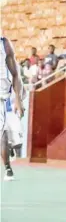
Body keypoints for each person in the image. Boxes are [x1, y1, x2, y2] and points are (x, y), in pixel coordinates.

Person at [0, 37, 24, 181]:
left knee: (6, 134)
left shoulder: (4, 44)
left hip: (3, 96)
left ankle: (7, 167)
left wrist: (18, 101)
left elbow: (15, 74)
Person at [2, 85, 24, 181]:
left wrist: (20, 103)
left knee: (18, 144)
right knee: (3, 138)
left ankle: (11, 147)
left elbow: (21, 91)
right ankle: (8, 169)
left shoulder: (12, 75)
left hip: (12, 112)